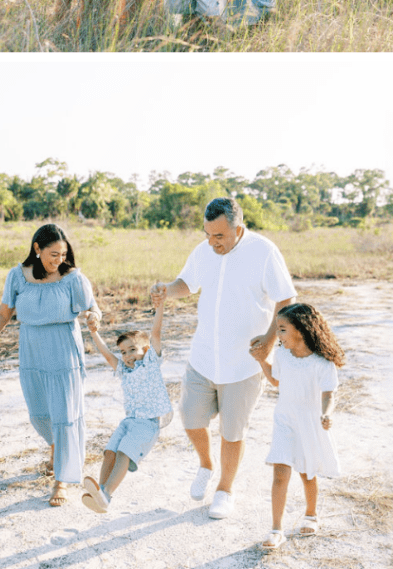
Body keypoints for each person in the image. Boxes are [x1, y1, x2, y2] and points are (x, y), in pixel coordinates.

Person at [151, 197, 296, 520]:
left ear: (238, 229)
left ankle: (224, 490)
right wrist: (165, 289)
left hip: (243, 363)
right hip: (203, 356)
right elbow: (187, 284)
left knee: (233, 432)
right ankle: (206, 463)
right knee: (190, 417)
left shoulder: (264, 251)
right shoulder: (205, 251)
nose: (212, 242)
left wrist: (270, 341)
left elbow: (286, 297)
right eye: (207, 234)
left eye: (219, 236)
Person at [0, 224, 102, 506]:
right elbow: (3, 314)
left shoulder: (73, 278)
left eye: (63, 254)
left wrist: (93, 317)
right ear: (37, 249)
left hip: (63, 350)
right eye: (53, 254)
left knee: (64, 414)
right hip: (31, 350)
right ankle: (55, 448)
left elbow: (92, 307)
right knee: (40, 412)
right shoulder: (17, 276)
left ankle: (61, 480)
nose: (59, 260)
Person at [255, 303, 343, 550]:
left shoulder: (322, 363)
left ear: (301, 331)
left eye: (282, 330)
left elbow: (328, 395)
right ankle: (276, 529)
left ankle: (311, 515)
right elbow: (276, 381)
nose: (277, 335)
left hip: (309, 422)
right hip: (284, 420)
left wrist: (326, 413)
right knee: (280, 474)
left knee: (307, 472)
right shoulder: (283, 354)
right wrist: (263, 360)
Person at [80, 293, 172, 513]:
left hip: (148, 424)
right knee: (110, 451)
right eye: (123, 352)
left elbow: (156, 333)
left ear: (145, 350)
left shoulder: (151, 362)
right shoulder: (124, 370)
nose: (128, 356)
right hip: (129, 421)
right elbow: (106, 354)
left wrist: (159, 308)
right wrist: (94, 332)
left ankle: (107, 494)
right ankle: (100, 493)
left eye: (132, 350)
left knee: (123, 452)